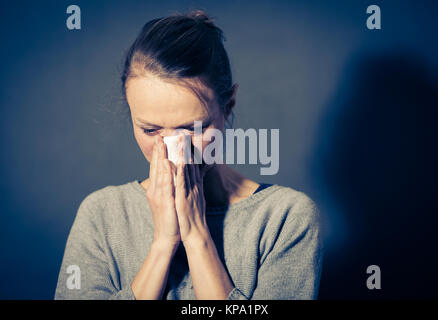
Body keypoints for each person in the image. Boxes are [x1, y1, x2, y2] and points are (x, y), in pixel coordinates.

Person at [54, 9, 323, 300]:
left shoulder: (285, 218)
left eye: (193, 128)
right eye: (150, 130)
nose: (174, 151)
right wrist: (162, 245)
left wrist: (196, 236)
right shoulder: (102, 215)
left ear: (228, 105)